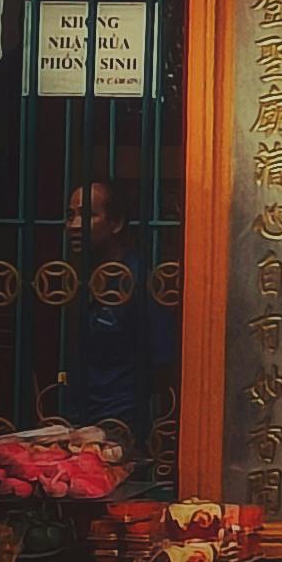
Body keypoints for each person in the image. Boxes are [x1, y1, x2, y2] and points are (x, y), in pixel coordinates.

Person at [55, 177, 175, 464]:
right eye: (70, 216)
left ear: (116, 223)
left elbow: (163, 365)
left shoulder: (138, 282)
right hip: (79, 426)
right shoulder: (78, 281)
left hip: (122, 432)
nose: (73, 225)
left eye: (87, 215)